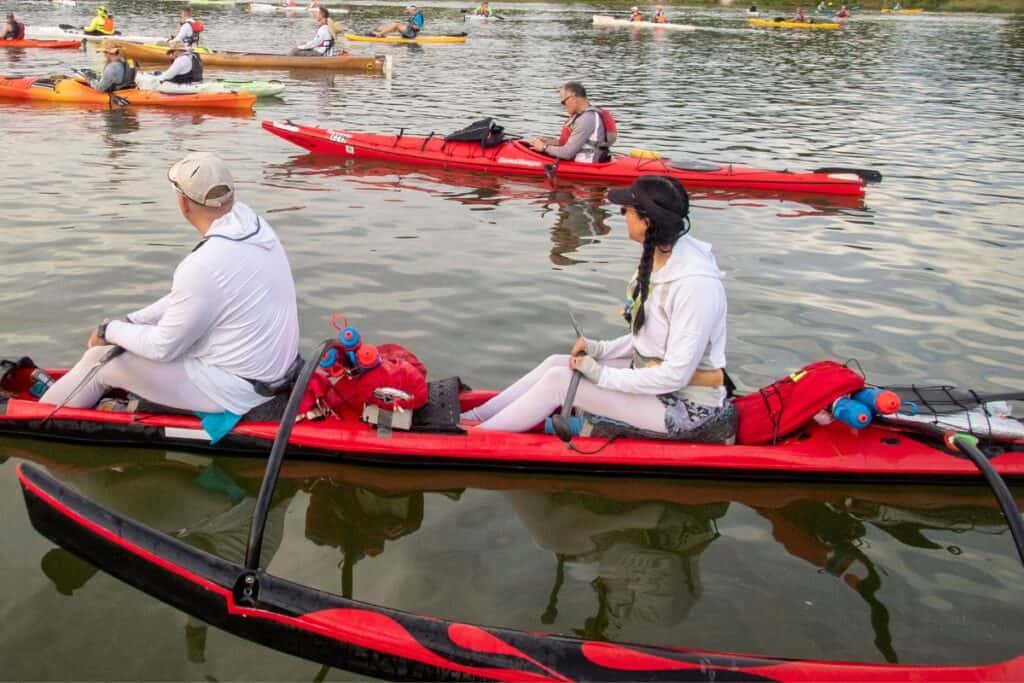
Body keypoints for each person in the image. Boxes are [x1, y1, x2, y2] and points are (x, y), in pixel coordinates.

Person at [461, 176, 735, 444]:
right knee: (558, 363)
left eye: (625, 210)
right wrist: (600, 350)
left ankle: (472, 439)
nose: (622, 215)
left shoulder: (695, 285)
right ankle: (471, 418)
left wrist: (601, 374)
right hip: (659, 386)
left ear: (647, 221)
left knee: (560, 380)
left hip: (686, 409)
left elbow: (675, 375)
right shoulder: (663, 254)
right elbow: (651, 339)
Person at [41, 153, 301, 421]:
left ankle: (35, 417)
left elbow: (164, 348)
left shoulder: (202, 264)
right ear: (231, 195)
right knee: (127, 341)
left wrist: (110, 330)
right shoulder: (254, 226)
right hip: (268, 374)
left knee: (100, 359)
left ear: (183, 204)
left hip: (239, 391)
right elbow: (193, 296)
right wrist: (132, 321)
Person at [527, 81, 615, 164]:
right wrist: (548, 142)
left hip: (587, 165)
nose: (564, 106)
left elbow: (567, 153)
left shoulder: (587, 119)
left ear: (573, 98)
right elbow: (573, 143)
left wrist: (544, 147)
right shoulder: (584, 115)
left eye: (563, 102)